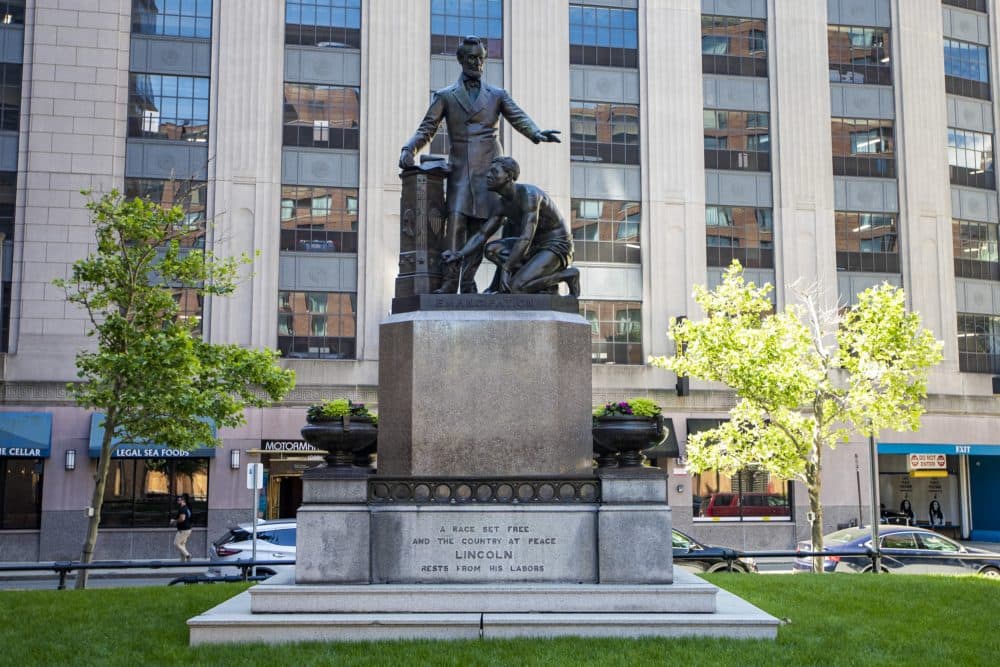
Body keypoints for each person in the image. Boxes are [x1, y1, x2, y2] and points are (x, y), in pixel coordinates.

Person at [399, 36, 561, 294]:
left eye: (481, 59)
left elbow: (518, 117)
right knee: (455, 224)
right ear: (461, 60)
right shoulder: (445, 96)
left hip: (490, 171)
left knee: (483, 229)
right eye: (472, 58)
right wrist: (409, 148)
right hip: (461, 172)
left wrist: (536, 133)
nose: (477, 63)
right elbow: (427, 128)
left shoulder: (497, 95)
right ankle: (451, 282)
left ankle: (469, 282)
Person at [442, 156, 579, 296]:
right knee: (491, 249)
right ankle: (536, 280)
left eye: (494, 172)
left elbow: (526, 237)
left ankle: (567, 276)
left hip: (556, 246)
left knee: (516, 288)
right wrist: (459, 254)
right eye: (489, 172)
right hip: (533, 247)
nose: (488, 175)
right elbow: (482, 235)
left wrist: (507, 268)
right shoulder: (502, 204)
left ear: (509, 176)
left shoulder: (529, 195)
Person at [170, 493, 193, 561]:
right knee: (182, 545)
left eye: (178, 500)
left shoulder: (183, 509)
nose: (177, 502)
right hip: (187, 529)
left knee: (176, 543)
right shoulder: (187, 508)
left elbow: (182, 518)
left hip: (183, 530)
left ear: (182, 500)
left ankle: (188, 556)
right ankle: (183, 560)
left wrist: (174, 521)